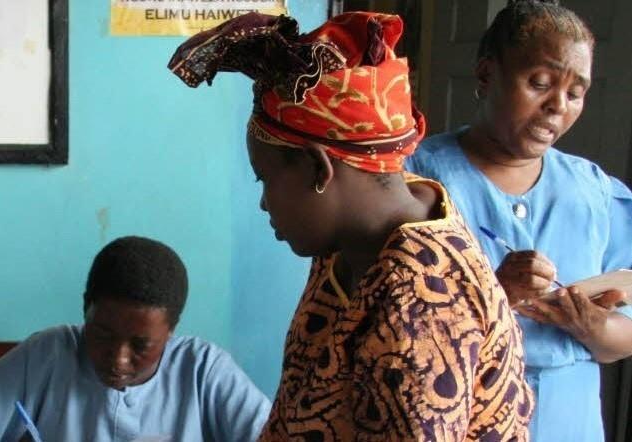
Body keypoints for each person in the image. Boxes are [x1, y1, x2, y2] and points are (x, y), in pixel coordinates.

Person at [169, 11, 533, 440]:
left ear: (318, 170)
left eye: (264, 178)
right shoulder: (358, 236)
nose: (264, 203)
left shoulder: (418, 307)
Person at [405, 1, 632, 439]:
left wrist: (593, 326)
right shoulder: (420, 178)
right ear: (486, 75)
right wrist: (496, 293)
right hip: (461, 418)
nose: (557, 106)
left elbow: (621, 339)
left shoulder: (594, 191)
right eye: (540, 83)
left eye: (575, 93)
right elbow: (388, 327)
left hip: (571, 424)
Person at [0, 236, 271, 442]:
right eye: (102, 334)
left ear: (171, 329)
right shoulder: (48, 354)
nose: (118, 359)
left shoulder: (203, 370)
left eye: (141, 345)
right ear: (86, 308)